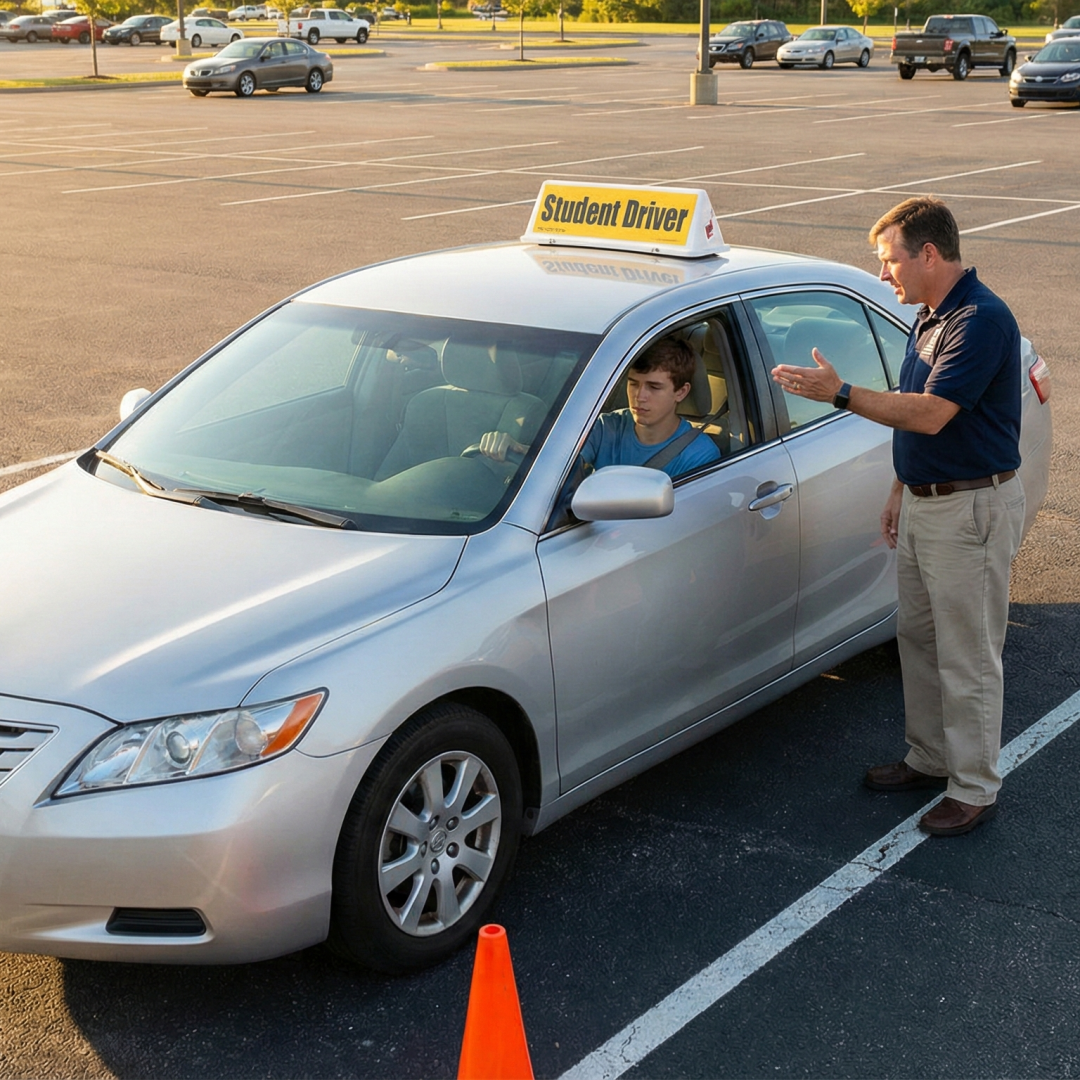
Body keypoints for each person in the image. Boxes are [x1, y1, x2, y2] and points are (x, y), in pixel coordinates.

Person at [771, 197, 1025, 838]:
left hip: (970, 509)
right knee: (918, 637)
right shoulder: (930, 315)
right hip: (926, 498)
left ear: (930, 254)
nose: (885, 276)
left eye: (890, 261)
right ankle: (932, 756)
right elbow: (921, 419)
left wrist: (841, 394)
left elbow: (931, 413)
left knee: (967, 654)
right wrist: (899, 487)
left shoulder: (980, 320)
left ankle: (973, 787)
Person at [480, 337, 722, 478]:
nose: (640, 396)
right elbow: (559, 462)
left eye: (654, 387)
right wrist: (517, 449)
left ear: (681, 392)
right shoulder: (607, 426)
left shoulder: (699, 455)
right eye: (633, 384)